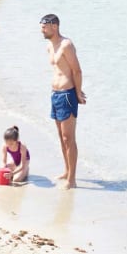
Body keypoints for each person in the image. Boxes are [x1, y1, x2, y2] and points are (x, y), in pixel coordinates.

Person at [41, 13, 86, 188]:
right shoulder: (49, 46)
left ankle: (72, 180)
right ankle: (67, 170)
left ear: (54, 26)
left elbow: (77, 70)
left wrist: (79, 92)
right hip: (55, 94)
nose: (42, 30)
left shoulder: (66, 45)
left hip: (67, 94)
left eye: (44, 27)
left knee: (69, 138)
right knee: (61, 137)